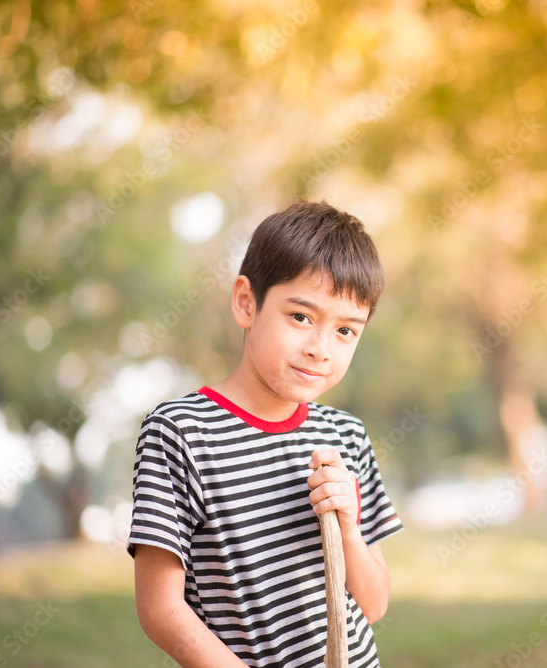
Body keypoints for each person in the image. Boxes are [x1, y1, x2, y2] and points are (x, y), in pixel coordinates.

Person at [127, 200, 403, 667]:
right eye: (301, 317)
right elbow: (160, 609)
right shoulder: (180, 433)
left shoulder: (346, 436)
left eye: (345, 331)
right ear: (246, 302)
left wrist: (348, 527)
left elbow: (374, 604)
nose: (320, 349)